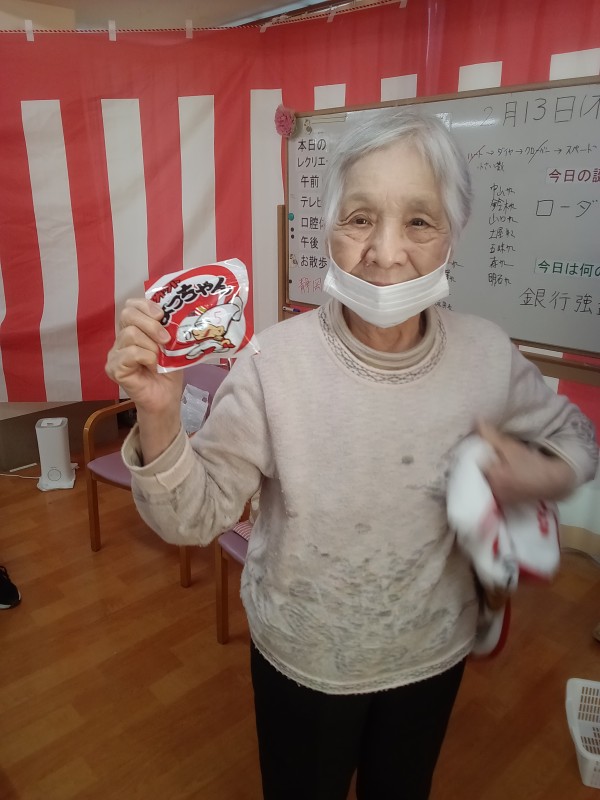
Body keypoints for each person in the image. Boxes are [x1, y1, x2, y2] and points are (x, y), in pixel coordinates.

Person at [106, 110, 598, 800]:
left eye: (419, 221)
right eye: (360, 218)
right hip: (303, 663)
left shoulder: (487, 356)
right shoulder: (273, 365)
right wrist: (159, 415)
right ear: (327, 230)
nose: (387, 252)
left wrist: (536, 473)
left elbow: (577, 442)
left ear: (453, 234)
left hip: (433, 653)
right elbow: (192, 518)